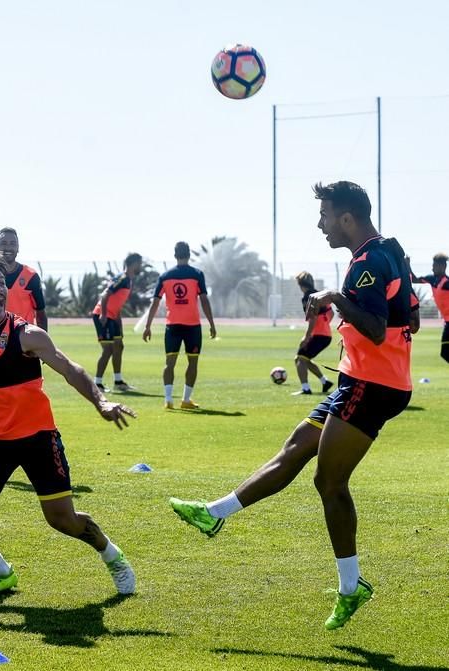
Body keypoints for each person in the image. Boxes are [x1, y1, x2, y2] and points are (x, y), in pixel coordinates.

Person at [170, 181, 417, 630]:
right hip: (360, 380)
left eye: (324, 216)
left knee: (329, 481)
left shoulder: (368, 261)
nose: (319, 225)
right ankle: (214, 514)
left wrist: (335, 298)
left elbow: (379, 329)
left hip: (373, 384)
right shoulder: (392, 251)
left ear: (346, 218)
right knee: (297, 445)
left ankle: (351, 587)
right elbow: (410, 317)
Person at [0, 253, 137, 597]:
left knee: (63, 520)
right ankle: (1, 574)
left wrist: (101, 402)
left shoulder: (26, 334)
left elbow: (70, 368)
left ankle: (112, 555)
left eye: (1, 283)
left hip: (38, 439)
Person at [142, 242, 216, 409]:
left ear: (175, 255)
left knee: (169, 363)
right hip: (192, 326)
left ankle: (168, 399)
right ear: (189, 254)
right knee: (193, 363)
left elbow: (154, 303)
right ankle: (185, 399)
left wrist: (148, 326)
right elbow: (204, 300)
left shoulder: (165, 276)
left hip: (172, 326)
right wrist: (211, 323)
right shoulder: (197, 274)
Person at [91, 253, 143, 392]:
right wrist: (103, 314)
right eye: (140, 263)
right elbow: (105, 294)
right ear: (133, 263)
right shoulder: (122, 278)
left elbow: (117, 302)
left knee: (119, 346)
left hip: (113, 318)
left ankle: (118, 382)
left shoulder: (128, 281)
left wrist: (119, 323)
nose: (141, 266)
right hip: (103, 316)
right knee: (107, 350)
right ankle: (97, 383)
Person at [0, 227, 47, 330]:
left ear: (18, 248)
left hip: (23, 340)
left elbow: (40, 313)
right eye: (4, 243)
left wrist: (44, 343)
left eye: (12, 244)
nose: (8, 248)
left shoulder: (31, 276)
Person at [292, 271, 334, 396]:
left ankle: (306, 389)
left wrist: (307, 336)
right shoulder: (320, 295)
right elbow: (331, 313)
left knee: (300, 358)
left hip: (318, 336)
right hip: (326, 335)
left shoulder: (307, 297)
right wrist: (324, 325)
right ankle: (325, 382)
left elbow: (313, 317)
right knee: (302, 359)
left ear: (300, 284)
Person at [407, 252, 449, 363]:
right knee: (445, 353)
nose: (432, 268)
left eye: (435, 265)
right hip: (447, 322)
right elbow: (414, 280)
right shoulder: (432, 279)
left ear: (443, 266)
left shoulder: (447, 283)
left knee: (446, 352)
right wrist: (407, 265)